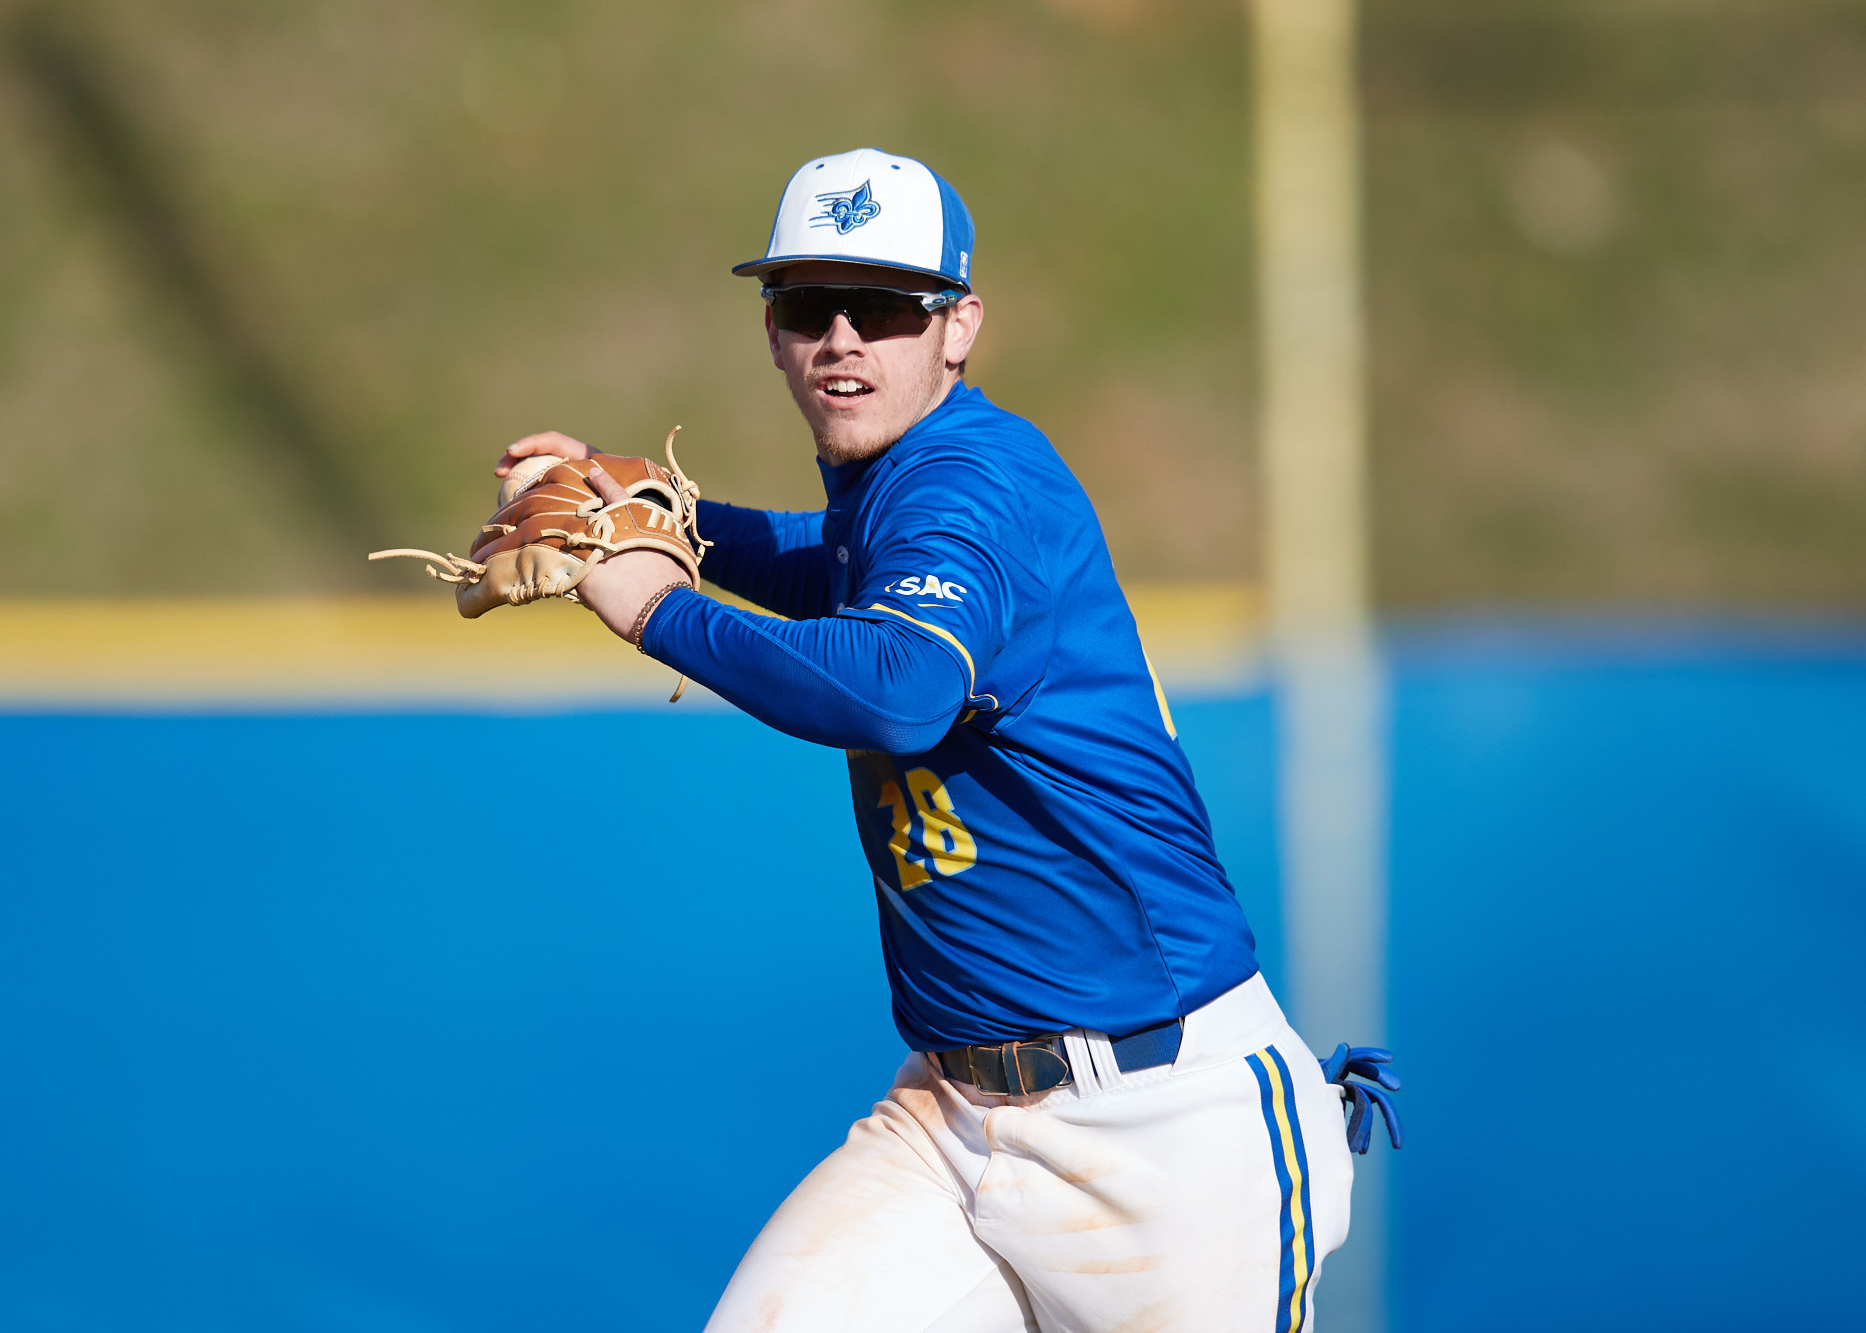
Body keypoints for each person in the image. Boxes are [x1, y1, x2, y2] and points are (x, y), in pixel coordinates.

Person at [496, 147, 1368, 1333]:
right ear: (771, 330)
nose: (843, 337)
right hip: (954, 1125)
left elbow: (899, 684)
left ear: (957, 328)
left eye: (888, 307)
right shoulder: (898, 486)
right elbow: (836, 564)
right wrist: (685, 518)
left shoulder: (973, 478)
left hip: (1168, 1131)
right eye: (808, 303)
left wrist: (652, 598)